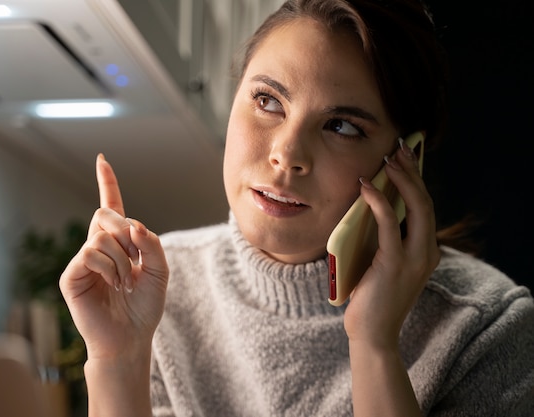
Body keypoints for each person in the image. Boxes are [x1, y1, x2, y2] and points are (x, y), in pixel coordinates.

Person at [59, 0, 534, 415]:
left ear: (404, 162)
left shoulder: (486, 327)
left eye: (342, 127)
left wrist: (374, 346)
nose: (287, 155)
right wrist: (118, 358)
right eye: (267, 100)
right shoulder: (156, 284)